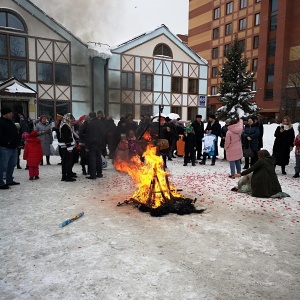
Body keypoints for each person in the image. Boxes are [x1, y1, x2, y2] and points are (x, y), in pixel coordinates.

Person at [0, 107, 20, 189]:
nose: (11, 114)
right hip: (5, 148)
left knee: (12, 164)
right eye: (10, 113)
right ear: (5, 114)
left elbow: (15, 133)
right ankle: (0, 182)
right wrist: (7, 142)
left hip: (13, 147)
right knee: (2, 166)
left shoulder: (11, 122)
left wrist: (18, 142)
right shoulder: (1, 122)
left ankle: (9, 180)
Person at [85, 112, 106, 179]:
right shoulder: (100, 123)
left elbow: (88, 136)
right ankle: (99, 173)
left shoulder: (90, 124)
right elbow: (103, 134)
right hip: (99, 144)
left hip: (92, 144)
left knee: (92, 160)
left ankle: (93, 175)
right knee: (98, 159)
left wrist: (87, 146)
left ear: (90, 117)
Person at [59, 113, 76, 182]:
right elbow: (66, 137)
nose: (72, 122)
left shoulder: (65, 125)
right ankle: (68, 176)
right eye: (71, 120)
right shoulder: (65, 126)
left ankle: (64, 175)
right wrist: (69, 147)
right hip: (66, 146)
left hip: (65, 146)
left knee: (65, 161)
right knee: (68, 162)